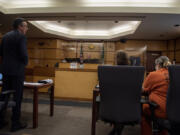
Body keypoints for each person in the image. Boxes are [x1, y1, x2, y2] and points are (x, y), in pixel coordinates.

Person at [0, 18, 28, 132]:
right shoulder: (21, 36)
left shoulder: (5, 36)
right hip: (17, 72)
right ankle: (15, 123)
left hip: (5, 71)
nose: (27, 29)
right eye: (25, 26)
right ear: (20, 27)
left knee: (4, 96)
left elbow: (0, 52)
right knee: (17, 97)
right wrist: (25, 62)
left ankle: (1, 121)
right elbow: (23, 54)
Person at [141, 56, 171, 135]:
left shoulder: (154, 74)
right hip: (175, 111)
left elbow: (143, 90)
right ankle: (163, 131)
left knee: (143, 110)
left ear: (157, 65)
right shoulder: (175, 74)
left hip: (159, 110)